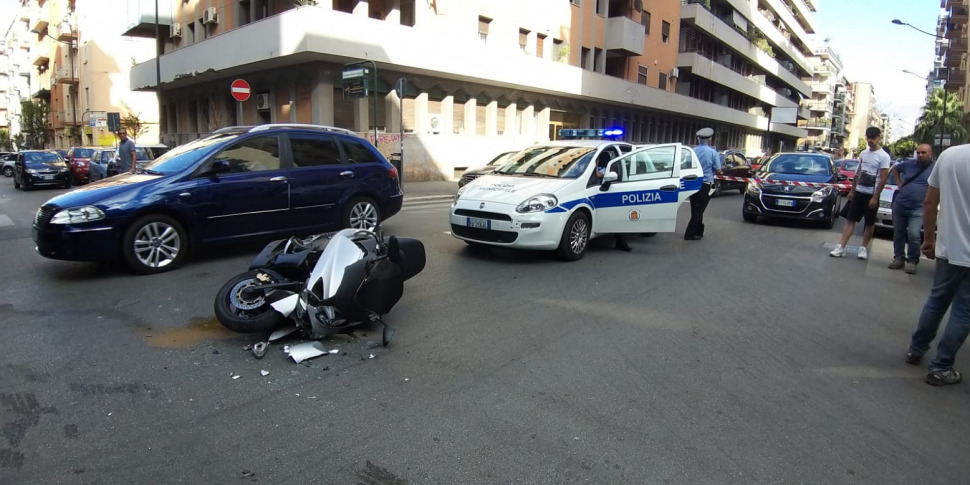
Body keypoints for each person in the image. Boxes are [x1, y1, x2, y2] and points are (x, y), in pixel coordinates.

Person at [903, 143, 970, 386]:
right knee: (963, 312)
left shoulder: (950, 156)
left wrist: (929, 238)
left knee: (937, 301)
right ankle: (941, 367)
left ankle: (916, 350)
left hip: (948, 247)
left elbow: (930, 203)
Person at [829, 126, 891, 259]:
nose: (870, 140)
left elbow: (884, 177)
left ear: (879, 138)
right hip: (859, 192)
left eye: (873, 138)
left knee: (869, 223)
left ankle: (863, 248)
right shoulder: (863, 153)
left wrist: (875, 197)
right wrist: (852, 190)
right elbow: (858, 173)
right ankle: (841, 247)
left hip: (871, 194)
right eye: (868, 137)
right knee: (850, 220)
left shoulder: (884, 156)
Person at [888, 143, 934, 274]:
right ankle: (899, 258)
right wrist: (899, 183)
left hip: (919, 208)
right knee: (898, 233)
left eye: (923, 152)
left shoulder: (935, 167)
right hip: (900, 204)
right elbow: (895, 169)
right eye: (918, 152)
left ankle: (913, 261)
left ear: (930, 154)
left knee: (914, 234)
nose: (920, 155)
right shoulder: (909, 164)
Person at [684, 127, 722, 240]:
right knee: (699, 210)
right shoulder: (713, 153)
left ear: (698, 139)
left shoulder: (693, 151)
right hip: (706, 183)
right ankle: (690, 233)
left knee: (695, 208)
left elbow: (686, 166)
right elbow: (719, 170)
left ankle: (699, 230)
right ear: (709, 139)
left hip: (693, 182)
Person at [593, 151, 632, 251]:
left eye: (597, 159)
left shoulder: (606, 169)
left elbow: (598, 175)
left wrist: (595, 165)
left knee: (617, 217)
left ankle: (621, 241)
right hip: (600, 193)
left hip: (607, 193)